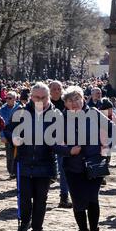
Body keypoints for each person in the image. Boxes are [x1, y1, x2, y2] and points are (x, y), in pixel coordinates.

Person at [56, 86, 114, 231]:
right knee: (77, 201)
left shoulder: (94, 114)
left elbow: (113, 130)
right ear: (65, 103)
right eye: (69, 100)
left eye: (76, 99)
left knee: (91, 199)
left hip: (94, 165)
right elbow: (53, 144)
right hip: (72, 167)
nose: (74, 103)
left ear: (83, 99)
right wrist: (68, 150)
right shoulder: (61, 119)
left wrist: (105, 147)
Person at [5, 83, 60, 231]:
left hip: (45, 162)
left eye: (43, 97)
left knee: (41, 199)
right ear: (31, 97)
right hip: (24, 161)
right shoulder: (21, 112)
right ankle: (24, 221)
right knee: (24, 197)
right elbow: (8, 130)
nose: (40, 100)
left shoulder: (55, 114)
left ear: (48, 97)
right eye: (37, 97)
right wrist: (14, 138)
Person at [49, 80, 72, 209]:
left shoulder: (66, 103)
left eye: (59, 89)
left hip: (63, 140)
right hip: (46, 140)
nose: (56, 91)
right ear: (49, 90)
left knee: (63, 168)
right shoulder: (45, 103)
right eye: (54, 89)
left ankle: (64, 196)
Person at [0, 91, 21, 178]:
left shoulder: (20, 108)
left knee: (18, 154)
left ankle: (16, 171)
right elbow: (0, 125)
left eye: (10, 98)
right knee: (9, 154)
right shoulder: (2, 110)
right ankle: (11, 171)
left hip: (18, 134)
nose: (7, 100)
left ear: (15, 99)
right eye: (6, 98)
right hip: (7, 134)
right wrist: (2, 136)